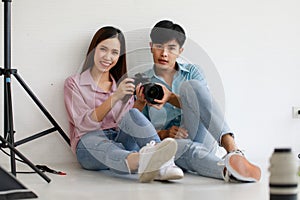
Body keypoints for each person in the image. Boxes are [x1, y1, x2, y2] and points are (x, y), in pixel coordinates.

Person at [137, 20, 261, 182]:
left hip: (202, 134)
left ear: (180, 51)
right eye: (159, 46)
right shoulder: (143, 82)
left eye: (171, 48)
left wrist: (171, 97)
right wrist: (164, 133)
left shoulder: (192, 72)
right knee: (181, 148)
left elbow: (202, 106)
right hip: (173, 145)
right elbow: (142, 130)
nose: (164, 53)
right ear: (151, 46)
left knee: (191, 87)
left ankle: (233, 150)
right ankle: (229, 171)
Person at [63, 26, 184, 183]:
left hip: (121, 141)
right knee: (99, 144)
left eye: (114, 53)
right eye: (103, 49)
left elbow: (125, 123)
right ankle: (148, 161)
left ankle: (161, 162)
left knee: (133, 115)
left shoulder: (122, 85)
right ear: (93, 49)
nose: (108, 57)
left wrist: (139, 103)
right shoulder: (74, 83)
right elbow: (84, 125)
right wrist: (115, 97)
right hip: (90, 143)